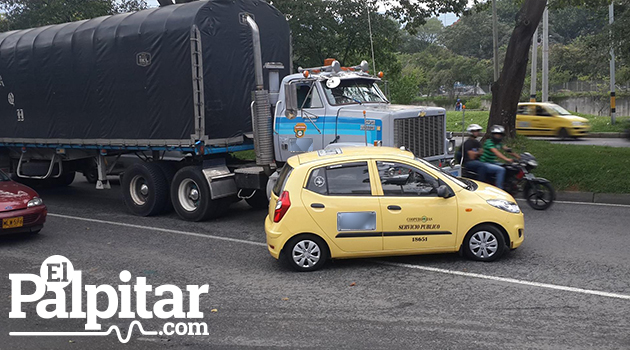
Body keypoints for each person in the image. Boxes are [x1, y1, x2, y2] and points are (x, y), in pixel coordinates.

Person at [479, 125, 519, 190]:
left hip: (492, 162)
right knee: (501, 169)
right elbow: (496, 152)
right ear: (492, 135)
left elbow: (508, 150)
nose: (498, 136)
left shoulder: (499, 143)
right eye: (496, 134)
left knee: (507, 167)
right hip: (485, 163)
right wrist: (506, 159)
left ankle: (507, 184)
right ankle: (499, 189)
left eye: (500, 135)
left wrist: (519, 157)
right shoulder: (488, 142)